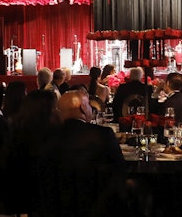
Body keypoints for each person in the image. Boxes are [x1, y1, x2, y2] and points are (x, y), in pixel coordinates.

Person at [37, 89, 125, 217]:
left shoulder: (46, 137)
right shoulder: (103, 134)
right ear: (83, 107)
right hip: (98, 208)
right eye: (89, 104)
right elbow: (119, 172)